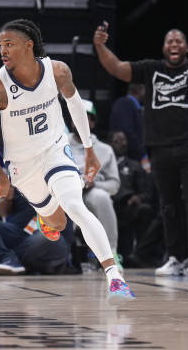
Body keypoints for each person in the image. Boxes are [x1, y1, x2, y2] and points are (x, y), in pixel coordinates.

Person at [0, 19, 135, 305]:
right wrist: (0, 177)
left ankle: (115, 277)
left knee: (75, 205)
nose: (3, 50)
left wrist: (89, 148)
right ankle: (46, 215)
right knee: (57, 223)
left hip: (55, 150)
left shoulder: (57, 71)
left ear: (28, 45)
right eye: (0, 46)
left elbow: (74, 104)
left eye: (9, 44)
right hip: (22, 165)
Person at [93, 16, 188, 277]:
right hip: (160, 147)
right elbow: (117, 67)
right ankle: (176, 257)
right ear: (164, 47)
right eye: (170, 40)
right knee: (168, 205)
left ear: (187, 48)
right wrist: (100, 46)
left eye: (179, 40)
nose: (174, 43)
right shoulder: (151, 68)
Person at [67, 98, 122, 270]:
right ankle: (64, 257)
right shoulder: (60, 143)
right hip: (66, 192)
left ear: (92, 122)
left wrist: (94, 185)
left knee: (102, 198)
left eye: (86, 118)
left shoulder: (105, 150)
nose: (81, 121)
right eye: (77, 117)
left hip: (92, 191)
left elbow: (114, 185)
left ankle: (112, 253)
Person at [0, 186, 73, 275]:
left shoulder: (56, 173)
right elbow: (3, 213)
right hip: (19, 234)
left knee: (45, 236)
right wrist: (8, 198)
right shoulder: (17, 175)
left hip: (51, 238)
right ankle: (8, 259)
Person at [110, 130, 161, 267]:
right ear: (111, 144)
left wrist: (137, 198)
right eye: (119, 141)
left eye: (124, 140)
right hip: (110, 204)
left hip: (129, 207)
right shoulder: (104, 164)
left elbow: (147, 192)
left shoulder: (134, 166)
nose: (124, 144)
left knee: (145, 210)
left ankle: (141, 255)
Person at [108, 83, 145, 161]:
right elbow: (126, 131)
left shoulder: (135, 106)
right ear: (139, 90)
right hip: (129, 158)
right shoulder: (124, 103)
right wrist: (141, 152)